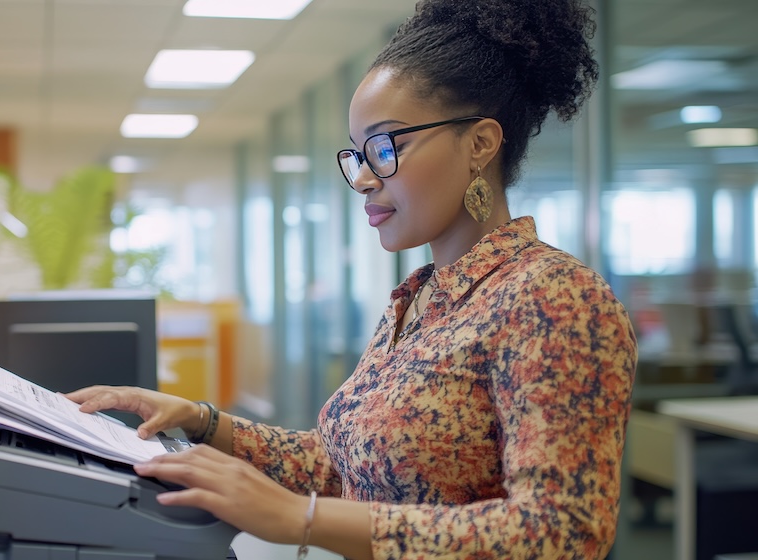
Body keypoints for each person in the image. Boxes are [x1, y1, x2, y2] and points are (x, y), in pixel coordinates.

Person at [67, 0, 637, 558]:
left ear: (481, 144)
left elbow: (562, 532)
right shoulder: (418, 299)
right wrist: (201, 421)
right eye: (358, 154)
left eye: (386, 146)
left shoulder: (553, 298)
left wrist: (302, 519)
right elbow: (342, 467)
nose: (363, 178)